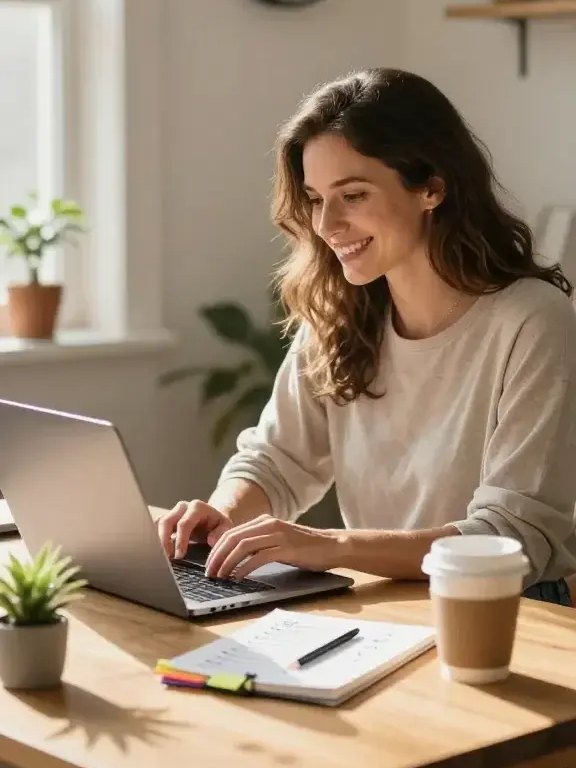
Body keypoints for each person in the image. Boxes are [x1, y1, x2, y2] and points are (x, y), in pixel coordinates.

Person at [158, 68, 576, 604]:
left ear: (432, 187)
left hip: (504, 608)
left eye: (352, 195)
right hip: (387, 601)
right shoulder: (340, 314)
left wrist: (332, 546)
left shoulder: (532, 320)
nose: (327, 224)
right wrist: (223, 515)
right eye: (314, 198)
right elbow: (277, 460)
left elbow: (510, 538)